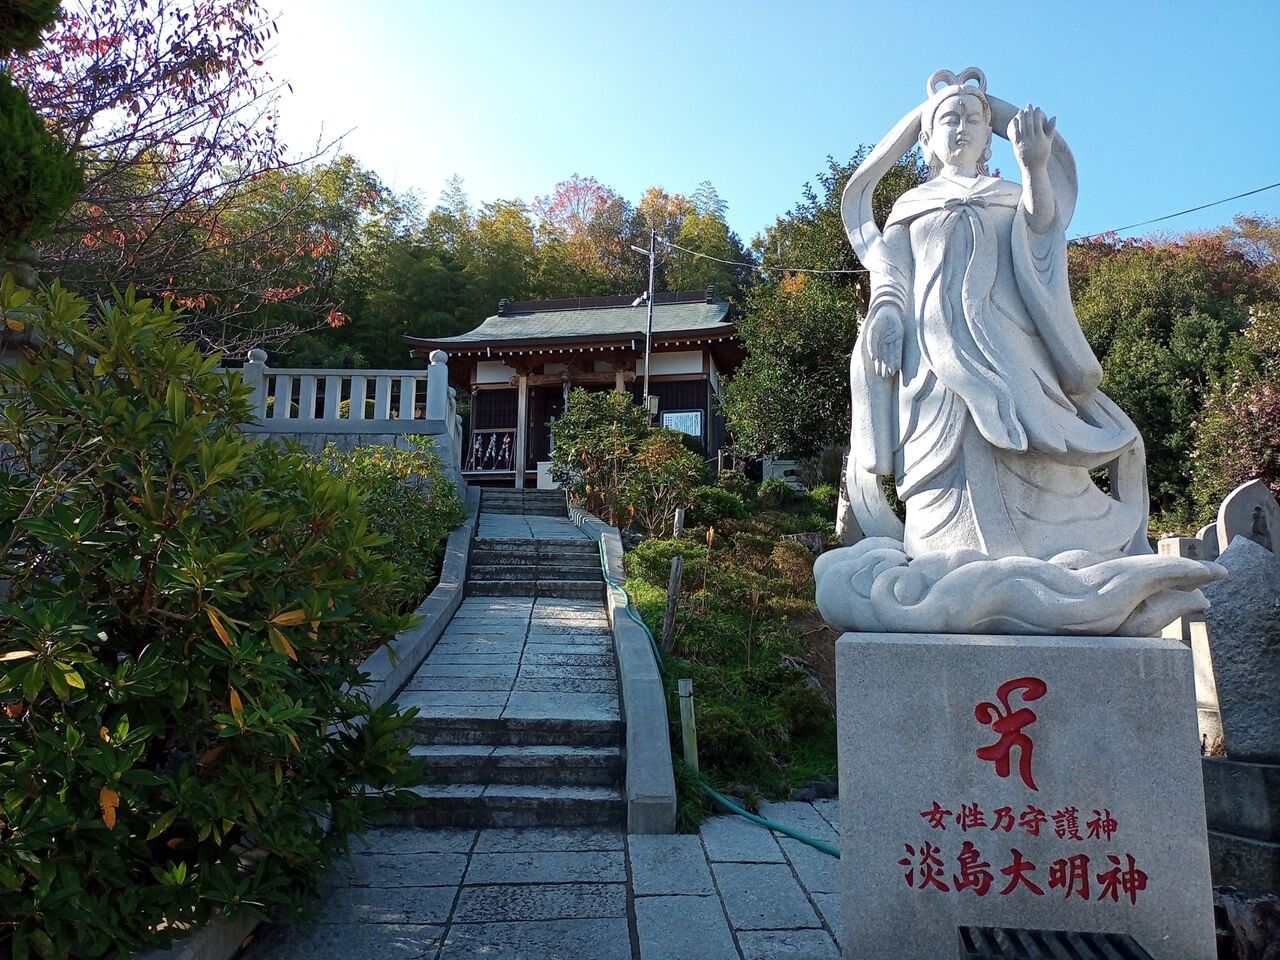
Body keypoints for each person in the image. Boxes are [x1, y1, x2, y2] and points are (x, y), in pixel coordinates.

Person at [841, 68, 1150, 562]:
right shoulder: (910, 206)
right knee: (942, 463)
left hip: (1010, 349)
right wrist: (886, 315)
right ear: (927, 139)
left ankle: (1067, 556)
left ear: (990, 136)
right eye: (949, 119)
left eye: (973, 118)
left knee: (1030, 448)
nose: (961, 128)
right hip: (933, 362)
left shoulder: (1009, 195)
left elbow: (1041, 233)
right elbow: (891, 275)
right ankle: (944, 561)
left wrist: (1034, 166)